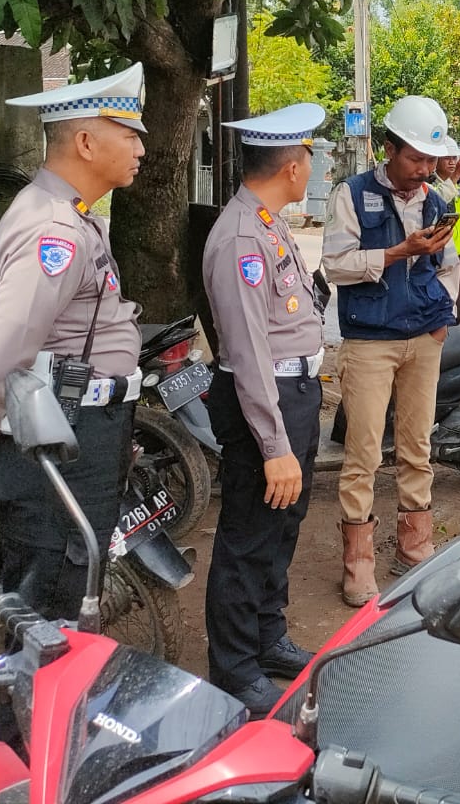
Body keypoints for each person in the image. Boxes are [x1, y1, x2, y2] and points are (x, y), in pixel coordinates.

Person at [0, 65, 146, 743]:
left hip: (77, 432)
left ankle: (51, 752)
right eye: (129, 133)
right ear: (85, 142)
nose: (141, 147)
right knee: (46, 621)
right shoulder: (55, 230)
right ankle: (28, 764)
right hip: (58, 447)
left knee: (63, 609)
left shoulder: (71, 218)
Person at [201, 103, 328, 715]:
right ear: (292, 166)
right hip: (263, 402)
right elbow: (248, 352)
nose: (310, 167)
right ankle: (234, 666)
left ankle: (267, 636)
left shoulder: (269, 223)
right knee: (249, 533)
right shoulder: (241, 237)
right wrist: (274, 446)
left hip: (293, 395)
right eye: (308, 157)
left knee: (283, 524)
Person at [322, 95, 459, 606]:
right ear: (389, 149)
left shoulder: (436, 201)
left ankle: (414, 547)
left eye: (431, 160)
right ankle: (358, 563)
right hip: (369, 343)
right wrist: (400, 251)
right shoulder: (352, 194)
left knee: (417, 446)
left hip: (423, 338)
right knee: (362, 455)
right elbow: (335, 265)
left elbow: (450, 265)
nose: (424, 169)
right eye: (415, 158)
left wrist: (441, 321)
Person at [429, 139, 460, 316]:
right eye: (447, 158)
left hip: (456, 253)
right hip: (433, 253)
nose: (452, 162)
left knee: (456, 299)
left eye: (455, 158)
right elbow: (436, 200)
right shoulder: (428, 185)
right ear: (435, 160)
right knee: (438, 300)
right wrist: (454, 178)